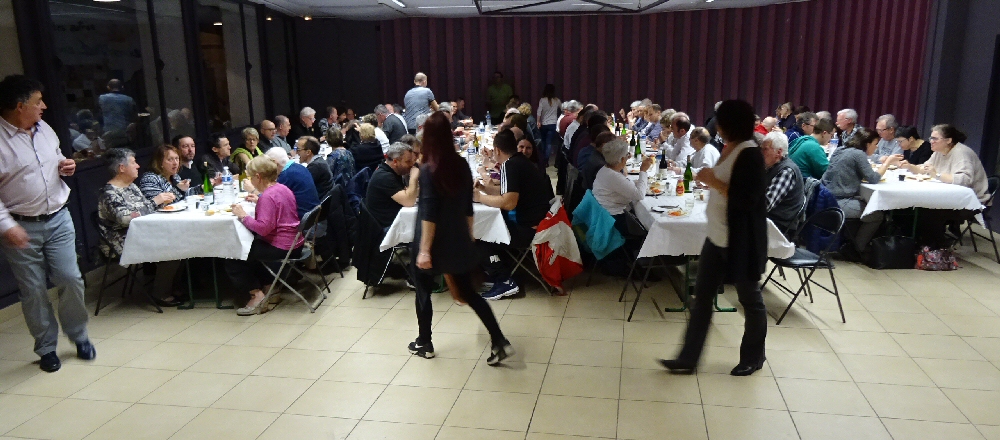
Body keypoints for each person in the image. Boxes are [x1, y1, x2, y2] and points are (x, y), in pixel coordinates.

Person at [660, 99, 768, 377]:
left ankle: (753, 357)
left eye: (720, 121)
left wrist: (713, 181)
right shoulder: (729, 148)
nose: (716, 126)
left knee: (750, 299)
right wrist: (709, 180)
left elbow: (747, 199)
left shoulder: (750, 154)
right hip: (716, 236)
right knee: (702, 298)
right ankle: (688, 357)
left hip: (740, 241)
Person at [0, 75, 93, 372]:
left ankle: (79, 336)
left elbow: (56, 159)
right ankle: (46, 348)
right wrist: (7, 226)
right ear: (20, 106)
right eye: (38, 101)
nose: (44, 106)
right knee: (34, 290)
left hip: (58, 217)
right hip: (20, 226)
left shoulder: (45, 129)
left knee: (71, 278)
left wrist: (66, 165)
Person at [408, 111, 514, 364]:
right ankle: (498, 339)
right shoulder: (461, 166)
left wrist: (424, 250)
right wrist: (469, 237)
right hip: (457, 238)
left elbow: (429, 212)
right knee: (469, 293)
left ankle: (424, 341)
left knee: (423, 290)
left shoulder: (428, 169)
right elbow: (468, 208)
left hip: (434, 241)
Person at [474, 129, 555, 299]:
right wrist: (483, 189)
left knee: (479, 234)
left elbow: (509, 202)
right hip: (538, 222)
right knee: (487, 227)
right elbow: (507, 193)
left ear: (497, 150)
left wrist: (480, 198)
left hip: (530, 230)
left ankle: (504, 280)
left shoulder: (510, 166)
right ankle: (497, 270)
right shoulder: (518, 162)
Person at [97, 148, 182, 307]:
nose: (138, 166)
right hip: (122, 241)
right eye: (133, 162)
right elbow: (125, 219)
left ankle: (175, 286)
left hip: (141, 233)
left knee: (181, 240)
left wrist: (162, 202)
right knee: (172, 250)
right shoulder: (109, 193)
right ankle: (161, 294)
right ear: (122, 168)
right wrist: (156, 201)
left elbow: (145, 209)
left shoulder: (131, 187)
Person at [227, 156, 303, 316]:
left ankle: (257, 295)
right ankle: (271, 288)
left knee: (234, 253)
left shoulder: (267, 197)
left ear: (258, 177)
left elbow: (263, 229)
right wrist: (259, 201)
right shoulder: (282, 188)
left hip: (281, 246)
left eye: (250, 177)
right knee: (251, 247)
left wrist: (243, 216)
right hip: (295, 243)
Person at [901, 124, 990, 247]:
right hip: (950, 196)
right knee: (913, 206)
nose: (931, 141)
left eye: (935, 138)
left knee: (927, 210)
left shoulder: (961, 153)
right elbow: (924, 168)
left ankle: (935, 246)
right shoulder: (939, 151)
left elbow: (965, 180)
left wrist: (936, 175)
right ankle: (915, 242)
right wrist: (908, 166)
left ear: (948, 140)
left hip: (970, 201)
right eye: (931, 138)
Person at [821, 128, 900, 253]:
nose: (876, 147)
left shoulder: (841, 149)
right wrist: (888, 162)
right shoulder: (858, 154)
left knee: (865, 202)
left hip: (824, 198)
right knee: (877, 215)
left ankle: (849, 244)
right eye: (875, 144)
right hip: (838, 202)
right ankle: (857, 249)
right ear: (867, 144)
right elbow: (873, 178)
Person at [593, 138, 655, 232]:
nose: (628, 157)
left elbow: (623, 183)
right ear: (622, 159)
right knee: (649, 224)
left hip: (605, 213)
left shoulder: (606, 169)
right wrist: (643, 171)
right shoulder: (613, 176)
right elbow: (639, 195)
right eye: (627, 155)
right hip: (614, 219)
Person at [761, 132, 804, 236]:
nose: (761, 152)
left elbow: (765, 205)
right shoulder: (770, 166)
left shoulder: (786, 171)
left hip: (778, 226)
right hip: (769, 219)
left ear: (778, 152)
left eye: (765, 149)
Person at [366, 142, 419, 227]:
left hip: (391, 221)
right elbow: (409, 201)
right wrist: (413, 177)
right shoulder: (384, 176)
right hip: (384, 228)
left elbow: (409, 194)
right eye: (408, 161)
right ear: (395, 162)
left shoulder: (392, 172)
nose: (411, 165)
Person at [263, 147, 319, 219]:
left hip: (301, 216)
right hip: (311, 213)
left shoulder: (286, 176)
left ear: (275, 163)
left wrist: (254, 192)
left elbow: (270, 201)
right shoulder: (298, 166)